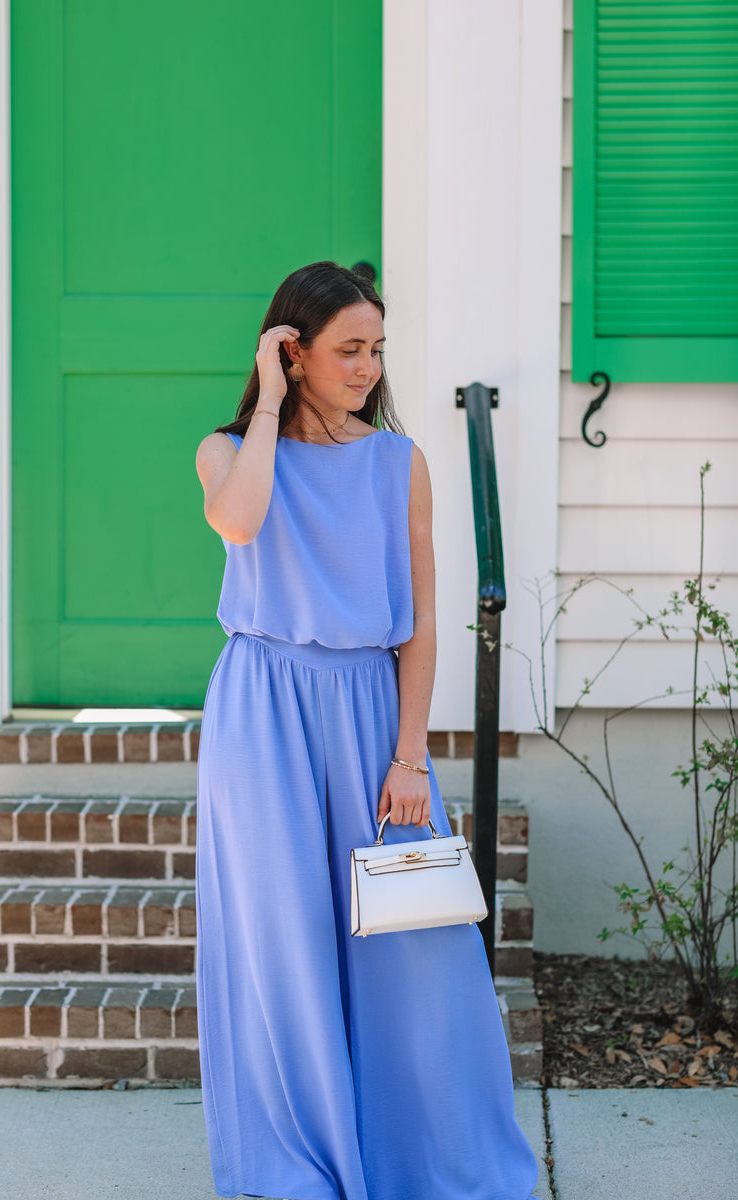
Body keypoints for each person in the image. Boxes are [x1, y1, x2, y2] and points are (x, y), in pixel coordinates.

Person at [194, 261, 539, 1200]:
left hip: (366, 708)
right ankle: (298, 1167)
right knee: (281, 946)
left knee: (410, 953)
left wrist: (411, 754)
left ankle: (426, 1157)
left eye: (377, 349)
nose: (368, 368)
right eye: (348, 350)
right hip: (259, 713)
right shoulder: (226, 449)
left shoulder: (401, 462)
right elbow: (240, 520)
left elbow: (425, 623)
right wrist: (267, 405)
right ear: (291, 351)